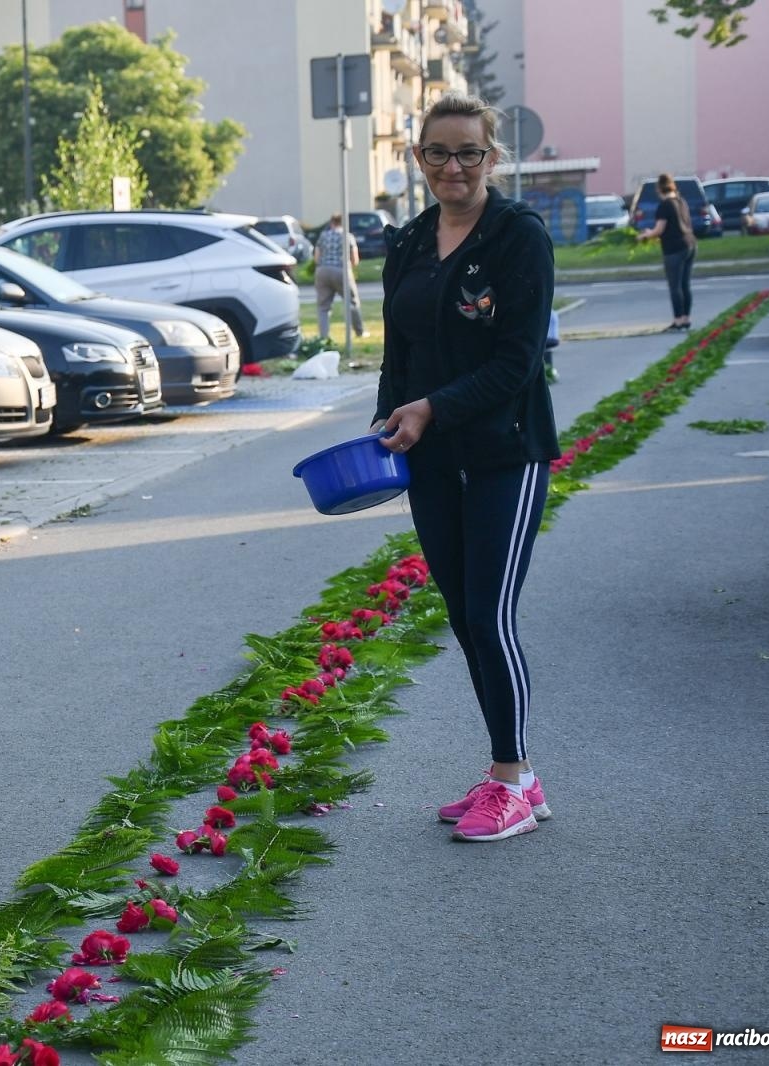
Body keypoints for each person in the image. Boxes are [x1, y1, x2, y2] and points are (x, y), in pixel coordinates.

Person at [370, 91, 560, 843]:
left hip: (504, 454)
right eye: (439, 152)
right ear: (418, 158)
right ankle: (512, 776)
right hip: (432, 459)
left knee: (488, 615)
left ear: (492, 157)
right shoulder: (411, 242)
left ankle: (513, 781)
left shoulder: (519, 237)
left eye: (470, 152)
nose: (455, 166)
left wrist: (433, 410)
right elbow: (400, 355)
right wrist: (387, 424)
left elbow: (517, 361)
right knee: (461, 616)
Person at [637, 173, 696, 330]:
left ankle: (677, 321)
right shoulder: (681, 201)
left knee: (674, 286)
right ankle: (686, 319)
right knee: (685, 285)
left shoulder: (665, 205)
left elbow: (659, 229)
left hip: (674, 248)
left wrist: (645, 235)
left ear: (659, 189)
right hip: (689, 244)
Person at [313, 212, 365, 340]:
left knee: (323, 307)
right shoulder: (348, 236)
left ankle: (324, 337)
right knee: (352, 302)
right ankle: (359, 332)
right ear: (344, 223)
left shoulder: (323, 236)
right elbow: (355, 259)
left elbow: (316, 257)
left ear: (331, 223)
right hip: (341, 270)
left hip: (322, 271)